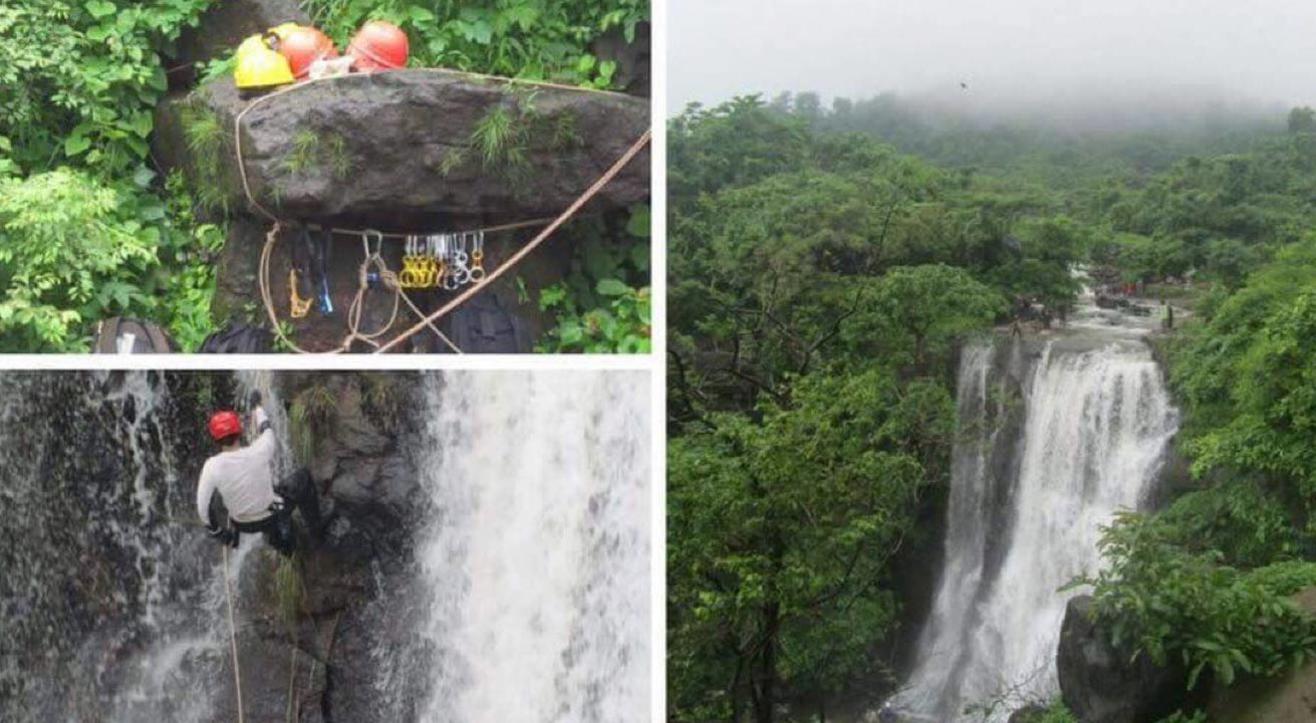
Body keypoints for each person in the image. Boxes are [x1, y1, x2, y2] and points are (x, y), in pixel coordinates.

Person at [196, 395, 322, 556]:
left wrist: (219, 533)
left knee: (262, 495)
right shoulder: (260, 449)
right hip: (271, 515)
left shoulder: (211, 466)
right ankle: (316, 530)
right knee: (303, 477)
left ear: (215, 439)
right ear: (239, 432)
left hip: (241, 524)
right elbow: (266, 427)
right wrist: (257, 407)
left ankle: (282, 543)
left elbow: (203, 509)